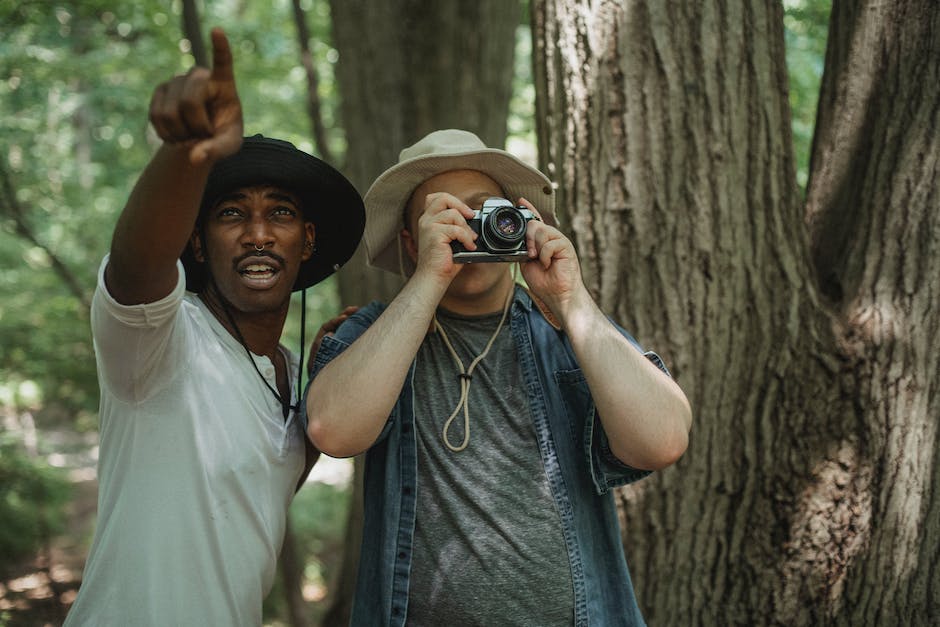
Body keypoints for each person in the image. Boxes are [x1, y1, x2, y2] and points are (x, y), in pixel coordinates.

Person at [305, 129, 692, 626]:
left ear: (517, 223)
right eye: (447, 215)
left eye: (485, 210)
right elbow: (333, 431)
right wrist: (429, 276)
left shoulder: (570, 332)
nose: (469, 227)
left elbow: (662, 441)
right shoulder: (373, 334)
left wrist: (570, 298)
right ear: (410, 239)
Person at [64, 28, 365, 626]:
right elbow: (135, 267)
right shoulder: (162, 341)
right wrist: (187, 151)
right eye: (231, 214)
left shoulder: (282, 369)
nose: (257, 233)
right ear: (197, 243)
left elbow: (257, 485)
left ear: (307, 241)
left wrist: (333, 373)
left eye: (279, 212)